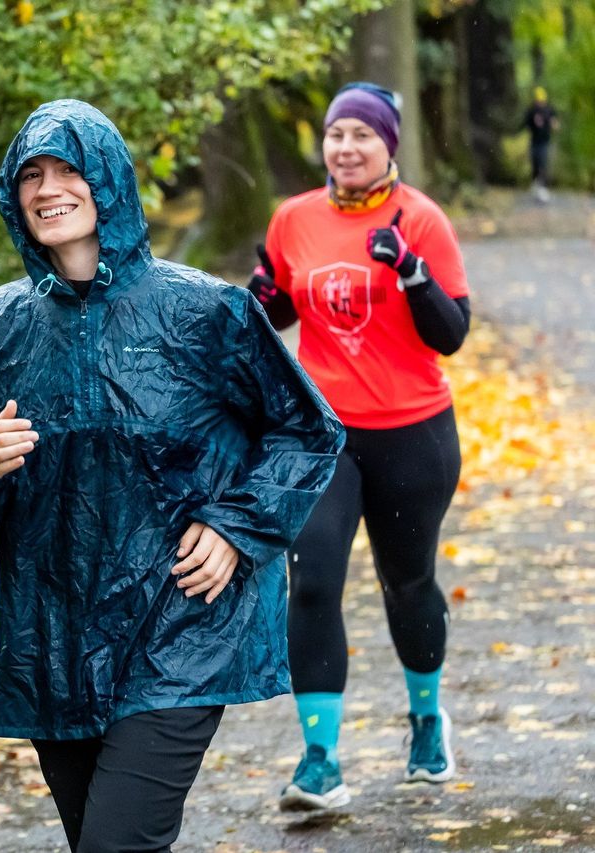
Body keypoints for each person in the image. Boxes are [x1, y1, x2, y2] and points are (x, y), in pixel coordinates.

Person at [0, 99, 344, 852]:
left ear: (108, 178)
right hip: (53, 642)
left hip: (180, 629)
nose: (49, 189)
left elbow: (307, 430)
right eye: (30, 176)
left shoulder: (207, 313)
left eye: (68, 168)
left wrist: (238, 526)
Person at [248, 82, 472, 811]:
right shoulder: (294, 218)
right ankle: (320, 760)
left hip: (413, 434)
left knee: (406, 584)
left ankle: (427, 723)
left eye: (362, 135)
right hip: (324, 436)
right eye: (336, 133)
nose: (346, 147)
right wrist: (260, 295)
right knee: (311, 581)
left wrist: (410, 271)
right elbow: (282, 305)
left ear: (388, 146)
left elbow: (452, 333)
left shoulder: (424, 221)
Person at [523, 87, 560, 202]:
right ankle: (535, 186)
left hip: (545, 142)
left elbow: (556, 125)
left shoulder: (549, 110)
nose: (540, 102)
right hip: (534, 142)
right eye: (538, 100)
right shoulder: (531, 110)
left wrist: (553, 124)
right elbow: (527, 125)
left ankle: (543, 189)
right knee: (535, 165)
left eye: (542, 100)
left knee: (543, 165)